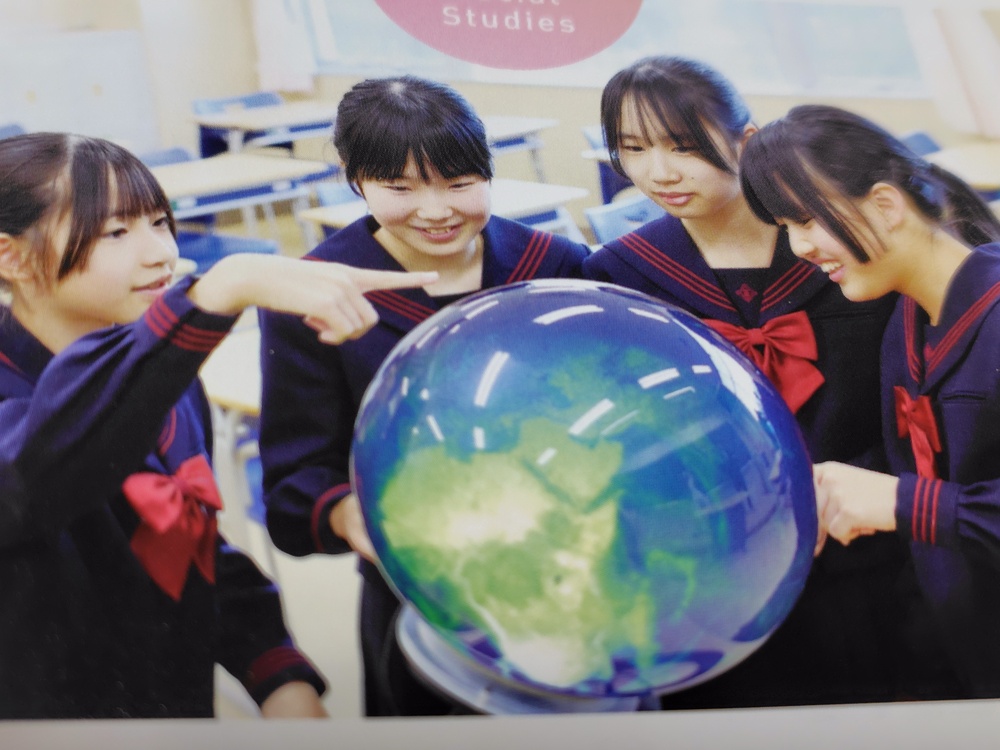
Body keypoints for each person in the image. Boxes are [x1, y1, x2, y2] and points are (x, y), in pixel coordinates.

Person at [0, 132, 437, 719]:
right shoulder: (143, 368)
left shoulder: (172, 379)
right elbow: (39, 472)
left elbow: (189, 540)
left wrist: (277, 675)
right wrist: (217, 293)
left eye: (160, 222)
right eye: (117, 232)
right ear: (11, 257)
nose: (160, 253)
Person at [258, 75, 590, 716]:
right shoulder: (315, 295)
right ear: (355, 180)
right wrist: (346, 514)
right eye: (401, 188)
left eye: (460, 183)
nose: (436, 210)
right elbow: (294, 482)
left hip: (573, 569)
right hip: (419, 586)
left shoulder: (556, 268)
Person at [582, 56, 902, 708]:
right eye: (634, 149)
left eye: (683, 146)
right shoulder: (621, 275)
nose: (659, 173)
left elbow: (906, 405)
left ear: (747, 140)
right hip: (717, 563)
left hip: (867, 546)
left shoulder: (837, 251)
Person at [740, 103, 1000, 699]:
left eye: (807, 219)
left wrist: (905, 503)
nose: (799, 246)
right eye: (785, 226)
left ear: (886, 204)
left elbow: (925, 498)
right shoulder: (905, 321)